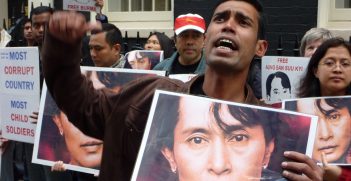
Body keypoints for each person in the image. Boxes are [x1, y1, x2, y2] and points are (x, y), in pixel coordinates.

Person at [42, 0, 321, 180]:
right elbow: (82, 106)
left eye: (243, 22)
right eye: (220, 19)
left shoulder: (274, 129)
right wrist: (61, 48)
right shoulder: (148, 96)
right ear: (208, 37)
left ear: (260, 48)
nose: (229, 26)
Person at [296, 37, 351, 180]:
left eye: (345, 64)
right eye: (329, 63)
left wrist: (340, 176)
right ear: (315, 70)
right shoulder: (292, 107)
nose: (337, 69)